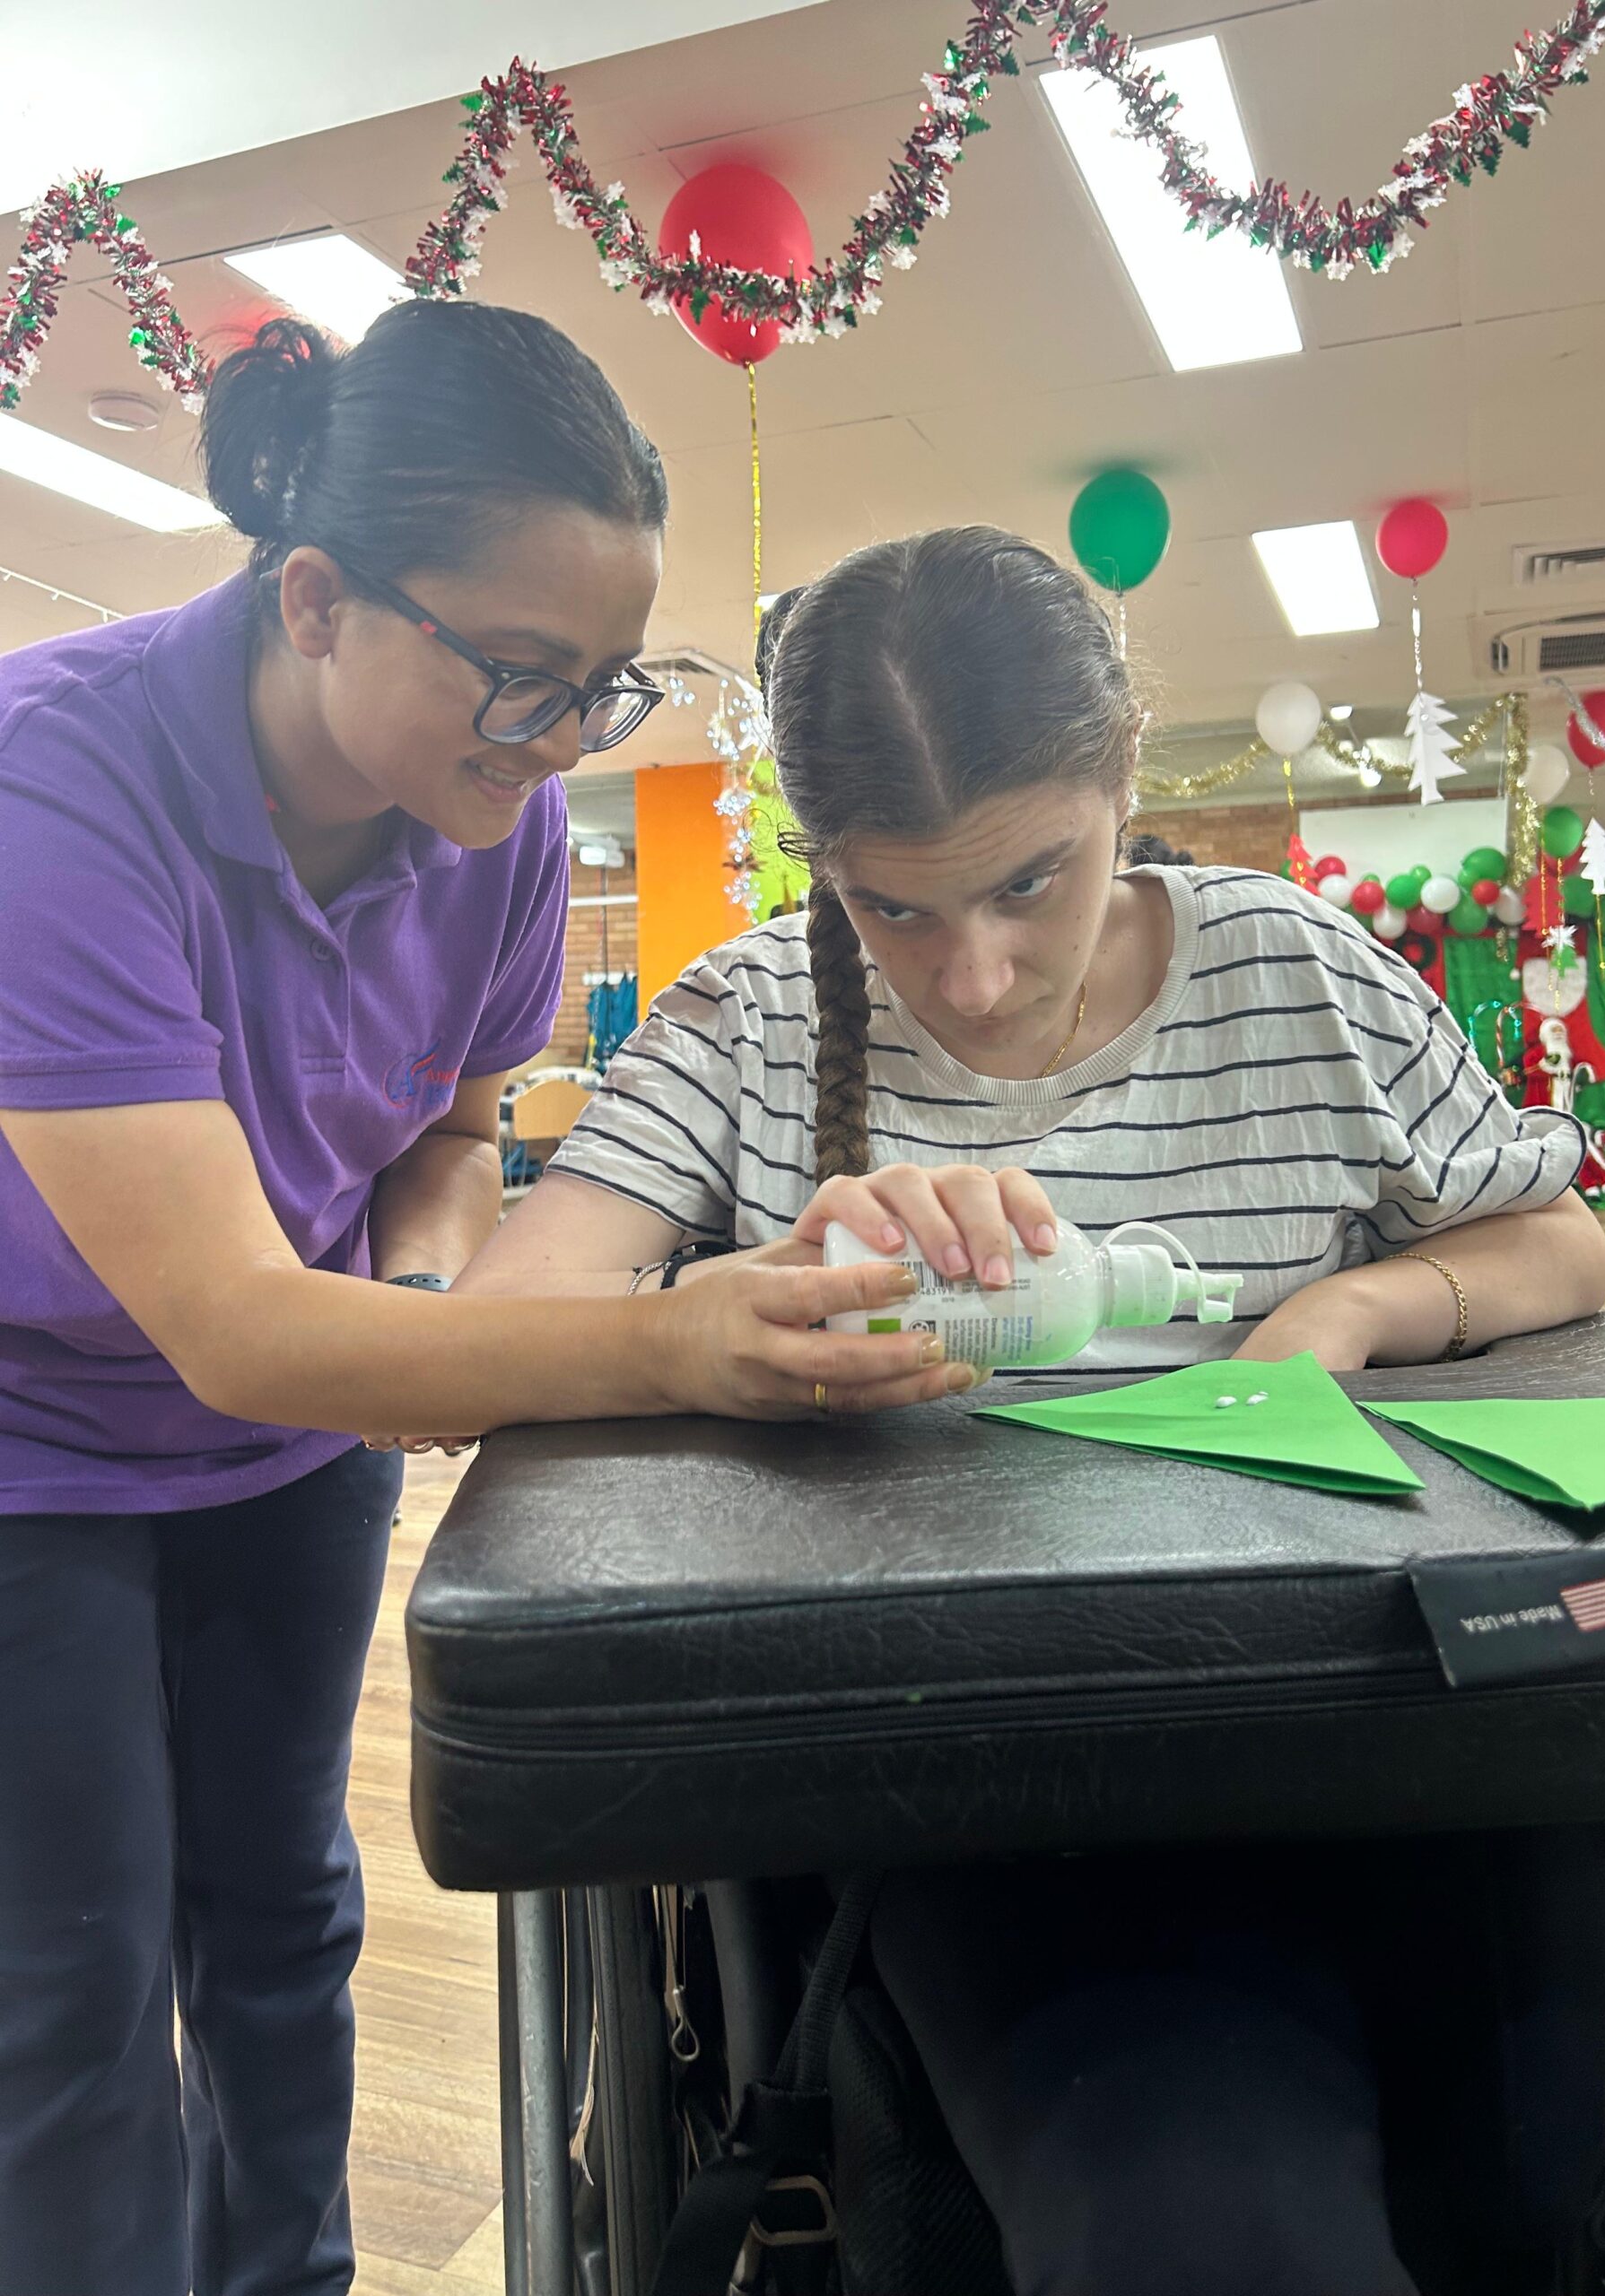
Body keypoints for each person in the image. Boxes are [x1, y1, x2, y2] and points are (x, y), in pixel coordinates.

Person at [458, 525, 1605, 2292]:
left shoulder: (1295, 970)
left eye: (1030, 883)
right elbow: (497, 1326)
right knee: (1211, 2211)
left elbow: (1555, 1238)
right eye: (892, 906)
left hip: (1369, 1725)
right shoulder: (754, 1015)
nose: (975, 979)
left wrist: (1351, 1306)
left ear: (1128, 772)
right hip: (989, 1785)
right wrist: (730, 1307)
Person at [0, 307, 955, 2296]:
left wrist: (430, 1308)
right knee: (70, 1988)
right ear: (320, 597)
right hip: (37, 1451)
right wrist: (672, 1328)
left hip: (296, 1445)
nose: (553, 747)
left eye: (599, 691)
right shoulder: (54, 792)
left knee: (283, 1920)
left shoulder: (495, 833)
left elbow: (443, 1132)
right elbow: (239, 1321)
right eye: (518, 678)